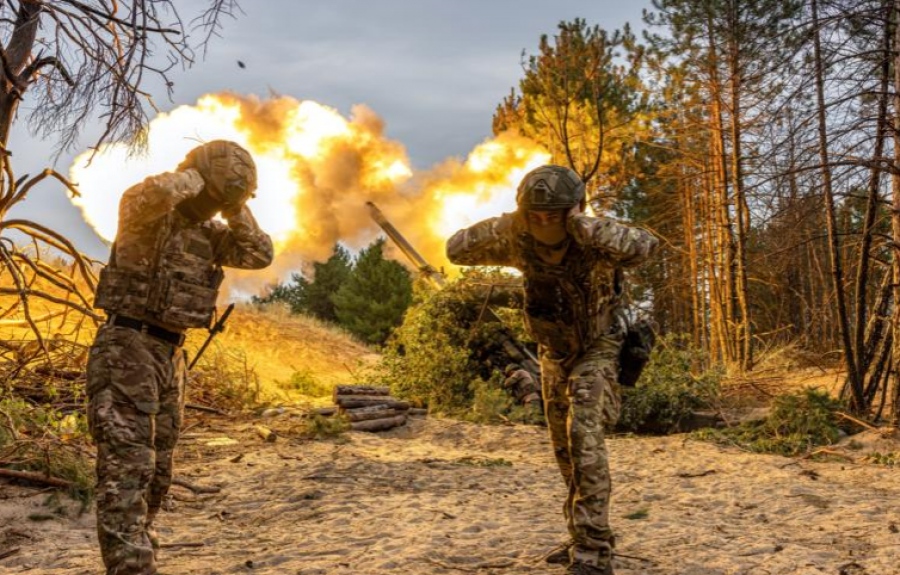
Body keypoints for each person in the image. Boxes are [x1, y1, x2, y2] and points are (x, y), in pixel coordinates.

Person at [446, 165, 657, 575]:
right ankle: (582, 535)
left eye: (554, 215)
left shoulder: (595, 240)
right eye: (536, 215)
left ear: (574, 208)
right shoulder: (519, 238)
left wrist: (586, 226)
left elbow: (644, 247)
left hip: (600, 346)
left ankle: (594, 551)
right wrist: (509, 223)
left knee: (584, 433)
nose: (545, 223)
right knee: (564, 448)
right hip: (553, 352)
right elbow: (456, 250)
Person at [87, 140, 274, 575]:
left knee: (159, 470)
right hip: (126, 347)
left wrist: (236, 207)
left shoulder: (212, 236)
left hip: (172, 355)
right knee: (127, 468)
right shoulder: (146, 215)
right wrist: (194, 174)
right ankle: (131, 567)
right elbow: (150, 197)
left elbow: (259, 254)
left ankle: (140, 548)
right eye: (216, 187)